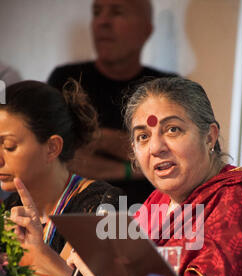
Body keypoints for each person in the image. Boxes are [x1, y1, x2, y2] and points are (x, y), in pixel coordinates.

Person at [69, 76, 242, 276]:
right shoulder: (156, 202)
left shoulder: (237, 196)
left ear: (209, 137)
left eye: (172, 130)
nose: (156, 147)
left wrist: (111, 272)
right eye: (143, 136)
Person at [48, 0, 176, 206]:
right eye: (97, 12)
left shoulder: (169, 88)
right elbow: (59, 157)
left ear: (146, 30)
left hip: (147, 221)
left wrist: (92, 139)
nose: (102, 21)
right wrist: (140, 164)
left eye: (117, 12)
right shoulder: (67, 80)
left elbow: (176, 157)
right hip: (76, 216)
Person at [0, 79, 123, 276]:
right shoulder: (9, 209)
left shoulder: (104, 204)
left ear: (52, 147)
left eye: (9, 146)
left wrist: (40, 253)